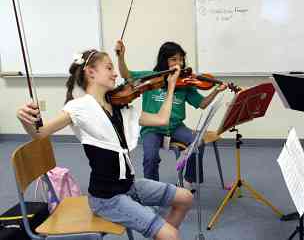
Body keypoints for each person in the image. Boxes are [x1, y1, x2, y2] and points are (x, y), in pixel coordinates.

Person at [16, 49, 192, 240]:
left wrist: (172, 86)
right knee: (171, 235)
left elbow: (162, 119)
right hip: (106, 198)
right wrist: (26, 119)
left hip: (128, 186)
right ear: (91, 72)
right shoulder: (80, 107)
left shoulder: (120, 106)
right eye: (109, 68)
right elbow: (40, 132)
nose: (115, 73)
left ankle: (162, 235)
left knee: (185, 198)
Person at [115, 40, 227, 188]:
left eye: (181, 59)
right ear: (164, 60)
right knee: (151, 157)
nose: (179, 63)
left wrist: (216, 91)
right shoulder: (151, 77)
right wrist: (121, 57)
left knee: (198, 142)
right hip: (152, 129)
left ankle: (187, 182)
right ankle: (152, 188)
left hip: (175, 127)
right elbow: (126, 75)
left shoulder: (185, 84)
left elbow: (202, 104)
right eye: (174, 59)